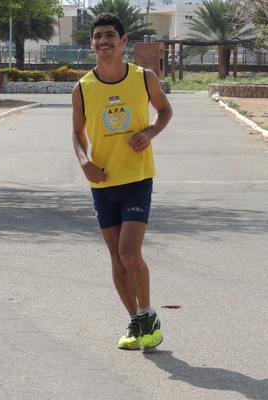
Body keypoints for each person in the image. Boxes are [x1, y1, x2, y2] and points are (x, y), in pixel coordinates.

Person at [72, 12, 173, 351]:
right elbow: (76, 133)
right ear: (91, 43)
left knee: (130, 253)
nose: (104, 40)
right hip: (102, 183)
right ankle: (136, 321)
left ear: (123, 40)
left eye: (111, 35)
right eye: (98, 35)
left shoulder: (144, 78)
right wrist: (85, 162)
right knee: (116, 259)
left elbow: (165, 111)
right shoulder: (83, 88)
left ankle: (147, 313)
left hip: (137, 178)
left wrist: (150, 132)